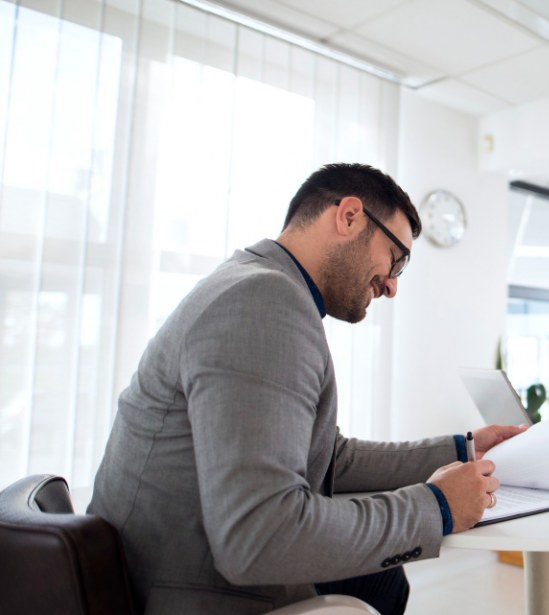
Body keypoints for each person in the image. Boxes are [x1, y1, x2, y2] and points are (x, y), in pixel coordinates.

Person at [88, 163, 523, 615]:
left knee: (381, 579)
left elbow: (330, 457)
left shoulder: (254, 283)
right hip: (188, 592)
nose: (393, 286)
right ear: (349, 216)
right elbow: (258, 535)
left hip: (165, 569)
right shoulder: (262, 302)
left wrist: (462, 450)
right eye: (396, 258)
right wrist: (436, 507)